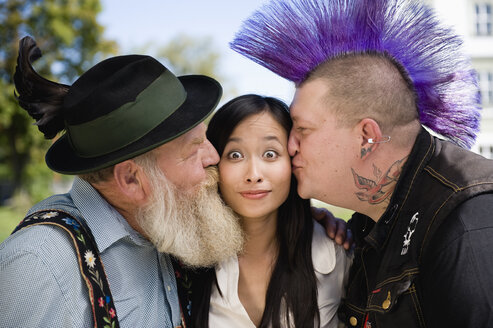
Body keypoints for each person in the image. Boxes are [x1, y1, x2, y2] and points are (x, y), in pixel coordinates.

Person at [230, 0, 493, 327]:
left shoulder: (466, 224)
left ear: (367, 137)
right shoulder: (365, 228)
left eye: (303, 129)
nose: (289, 145)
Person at [0, 36, 244, 327]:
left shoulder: (162, 223)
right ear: (131, 180)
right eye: (193, 149)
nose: (214, 156)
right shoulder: (40, 264)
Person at [182, 94, 350, 328]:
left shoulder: (336, 253)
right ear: (214, 164)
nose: (254, 174)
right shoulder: (186, 259)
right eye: (235, 155)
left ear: (293, 163)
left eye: (270, 154)